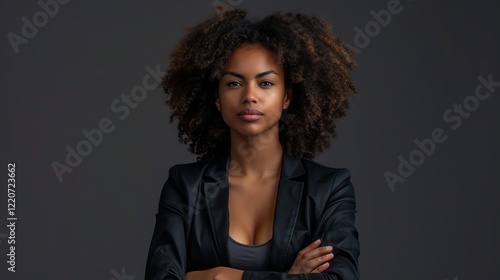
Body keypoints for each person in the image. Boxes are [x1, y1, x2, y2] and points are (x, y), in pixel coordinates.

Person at [145, 6, 360, 280]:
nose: (249, 96)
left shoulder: (328, 188)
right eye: (234, 83)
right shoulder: (185, 186)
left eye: (266, 83)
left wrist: (220, 277)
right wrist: (292, 277)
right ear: (217, 98)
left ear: (287, 97)